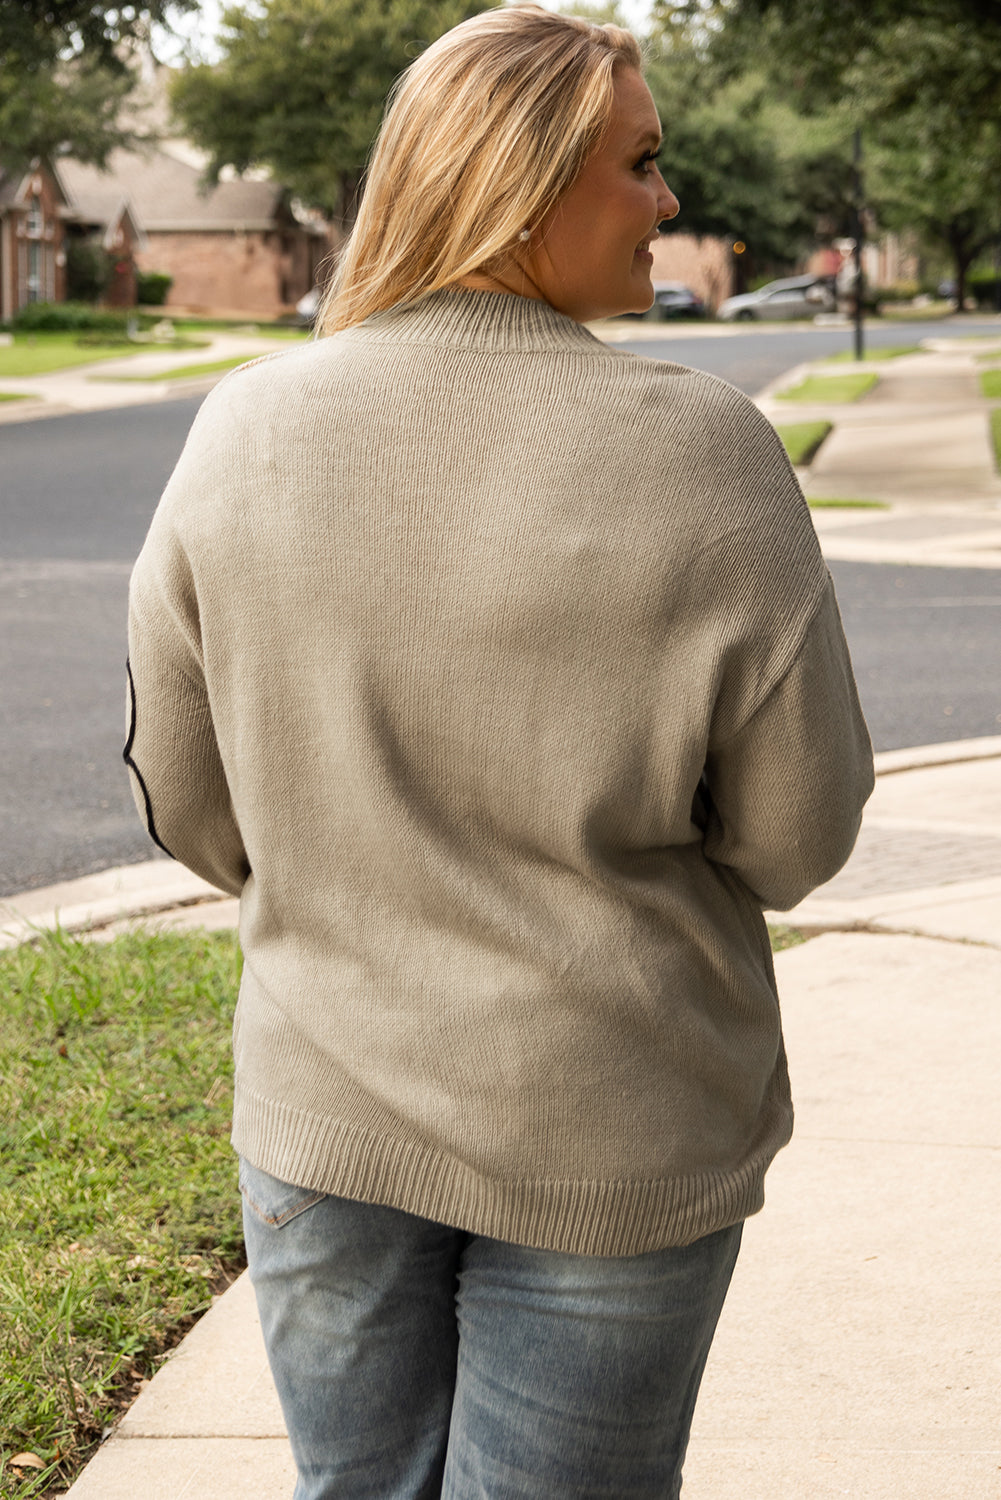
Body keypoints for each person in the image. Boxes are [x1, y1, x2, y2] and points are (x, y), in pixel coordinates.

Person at [124, 7, 874, 1497]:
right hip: (613, 1121)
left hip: (322, 1114)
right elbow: (797, 838)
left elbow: (197, 815)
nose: (668, 204)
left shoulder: (245, 426)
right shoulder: (706, 449)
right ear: (518, 181)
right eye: (640, 165)